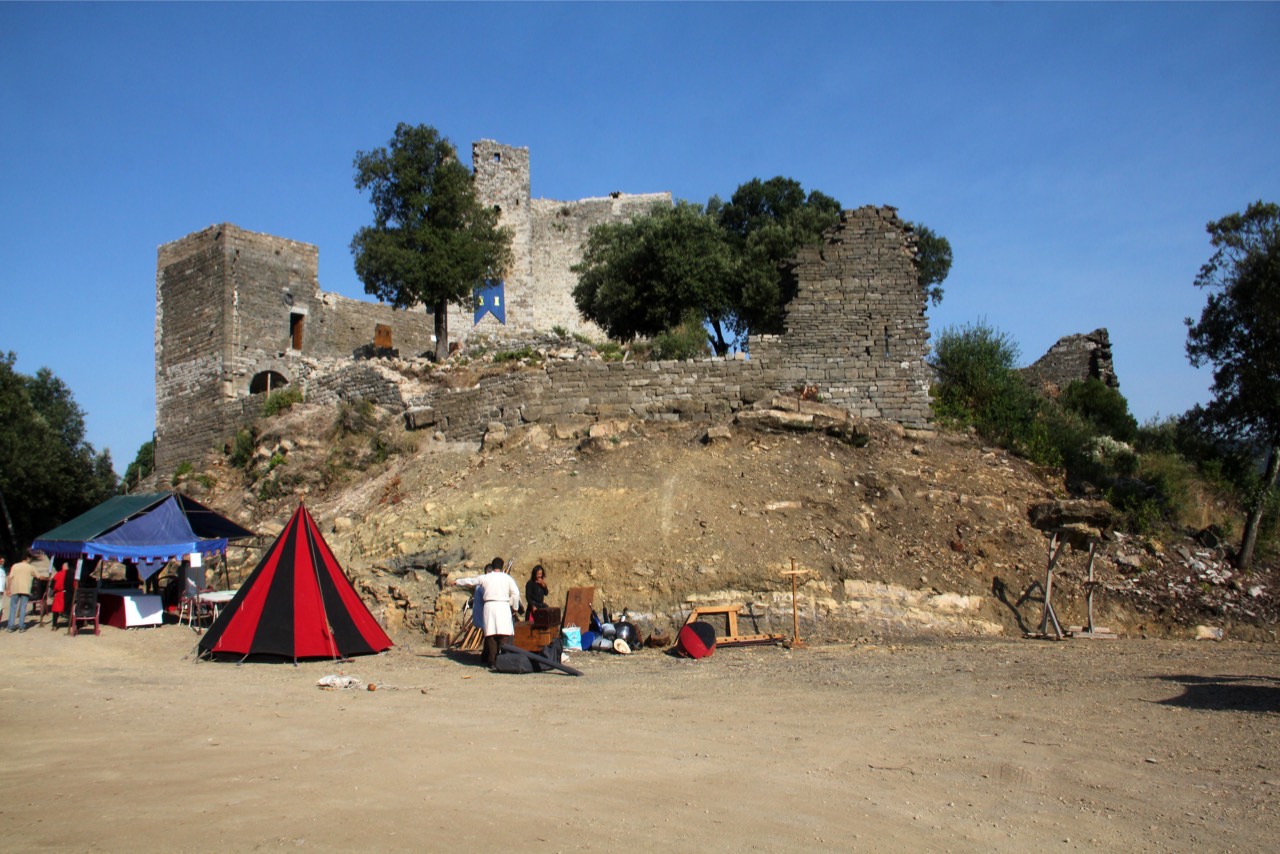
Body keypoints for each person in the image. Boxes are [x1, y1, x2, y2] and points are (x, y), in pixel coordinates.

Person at [452, 557, 522, 669]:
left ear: (493, 566)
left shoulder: (486, 577)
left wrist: (457, 581)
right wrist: (515, 607)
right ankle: (504, 659)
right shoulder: (507, 578)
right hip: (503, 606)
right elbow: (516, 593)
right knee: (504, 634)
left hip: (490, 606)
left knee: (491, 635)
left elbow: (470, 581)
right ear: (502, 566)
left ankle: (492, 661)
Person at [7, 550, 46, 632]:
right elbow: (39, 577)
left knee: (13, 607)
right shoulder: (30, 567)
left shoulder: (15, 566)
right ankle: (21, 626)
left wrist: (8, 589)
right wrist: (48, 578)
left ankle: (10, 626)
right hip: (25, 589)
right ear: (28, 558)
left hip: (15, 589)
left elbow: (10, 578)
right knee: (23, 607)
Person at [48, 562, 72, 630]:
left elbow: (52, 584)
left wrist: (50, 594)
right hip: (69, 594)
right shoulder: (72, 574)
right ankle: (71, 623)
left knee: (56, 611)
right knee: (69, 609)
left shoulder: (58, 574)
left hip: (59, 594)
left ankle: (54, 625)